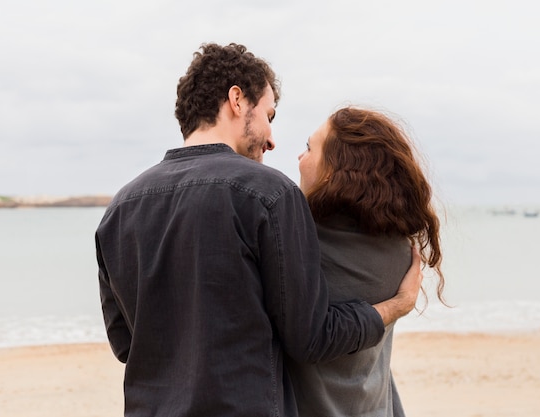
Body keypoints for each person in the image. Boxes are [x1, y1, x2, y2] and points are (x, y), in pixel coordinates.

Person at [95, 43, 422, 417]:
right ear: (236, 99)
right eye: (269, 114)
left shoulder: (118, 210)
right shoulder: (270, 193)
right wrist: (396, 306)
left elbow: (125, 345)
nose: (271, 138)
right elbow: (311, 338)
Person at [287, 106, 446, 417]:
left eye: (309, 148)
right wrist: (399, 304)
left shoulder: (301, 245)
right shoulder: (399, 250)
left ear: (333, 171)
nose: (299, 157)